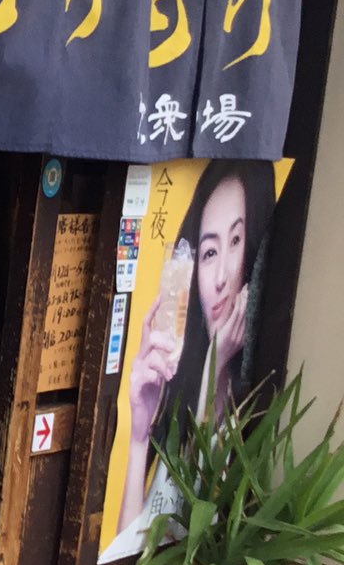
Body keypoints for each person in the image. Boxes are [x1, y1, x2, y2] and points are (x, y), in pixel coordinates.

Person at [113, 160, 276, 545]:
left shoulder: (256, 397)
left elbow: (196, 534)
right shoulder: (180, 386)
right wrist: (139, 437)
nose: (220, 279)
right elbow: (132, 548)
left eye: (236, 242)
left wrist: (215, 372)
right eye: (208, 253)